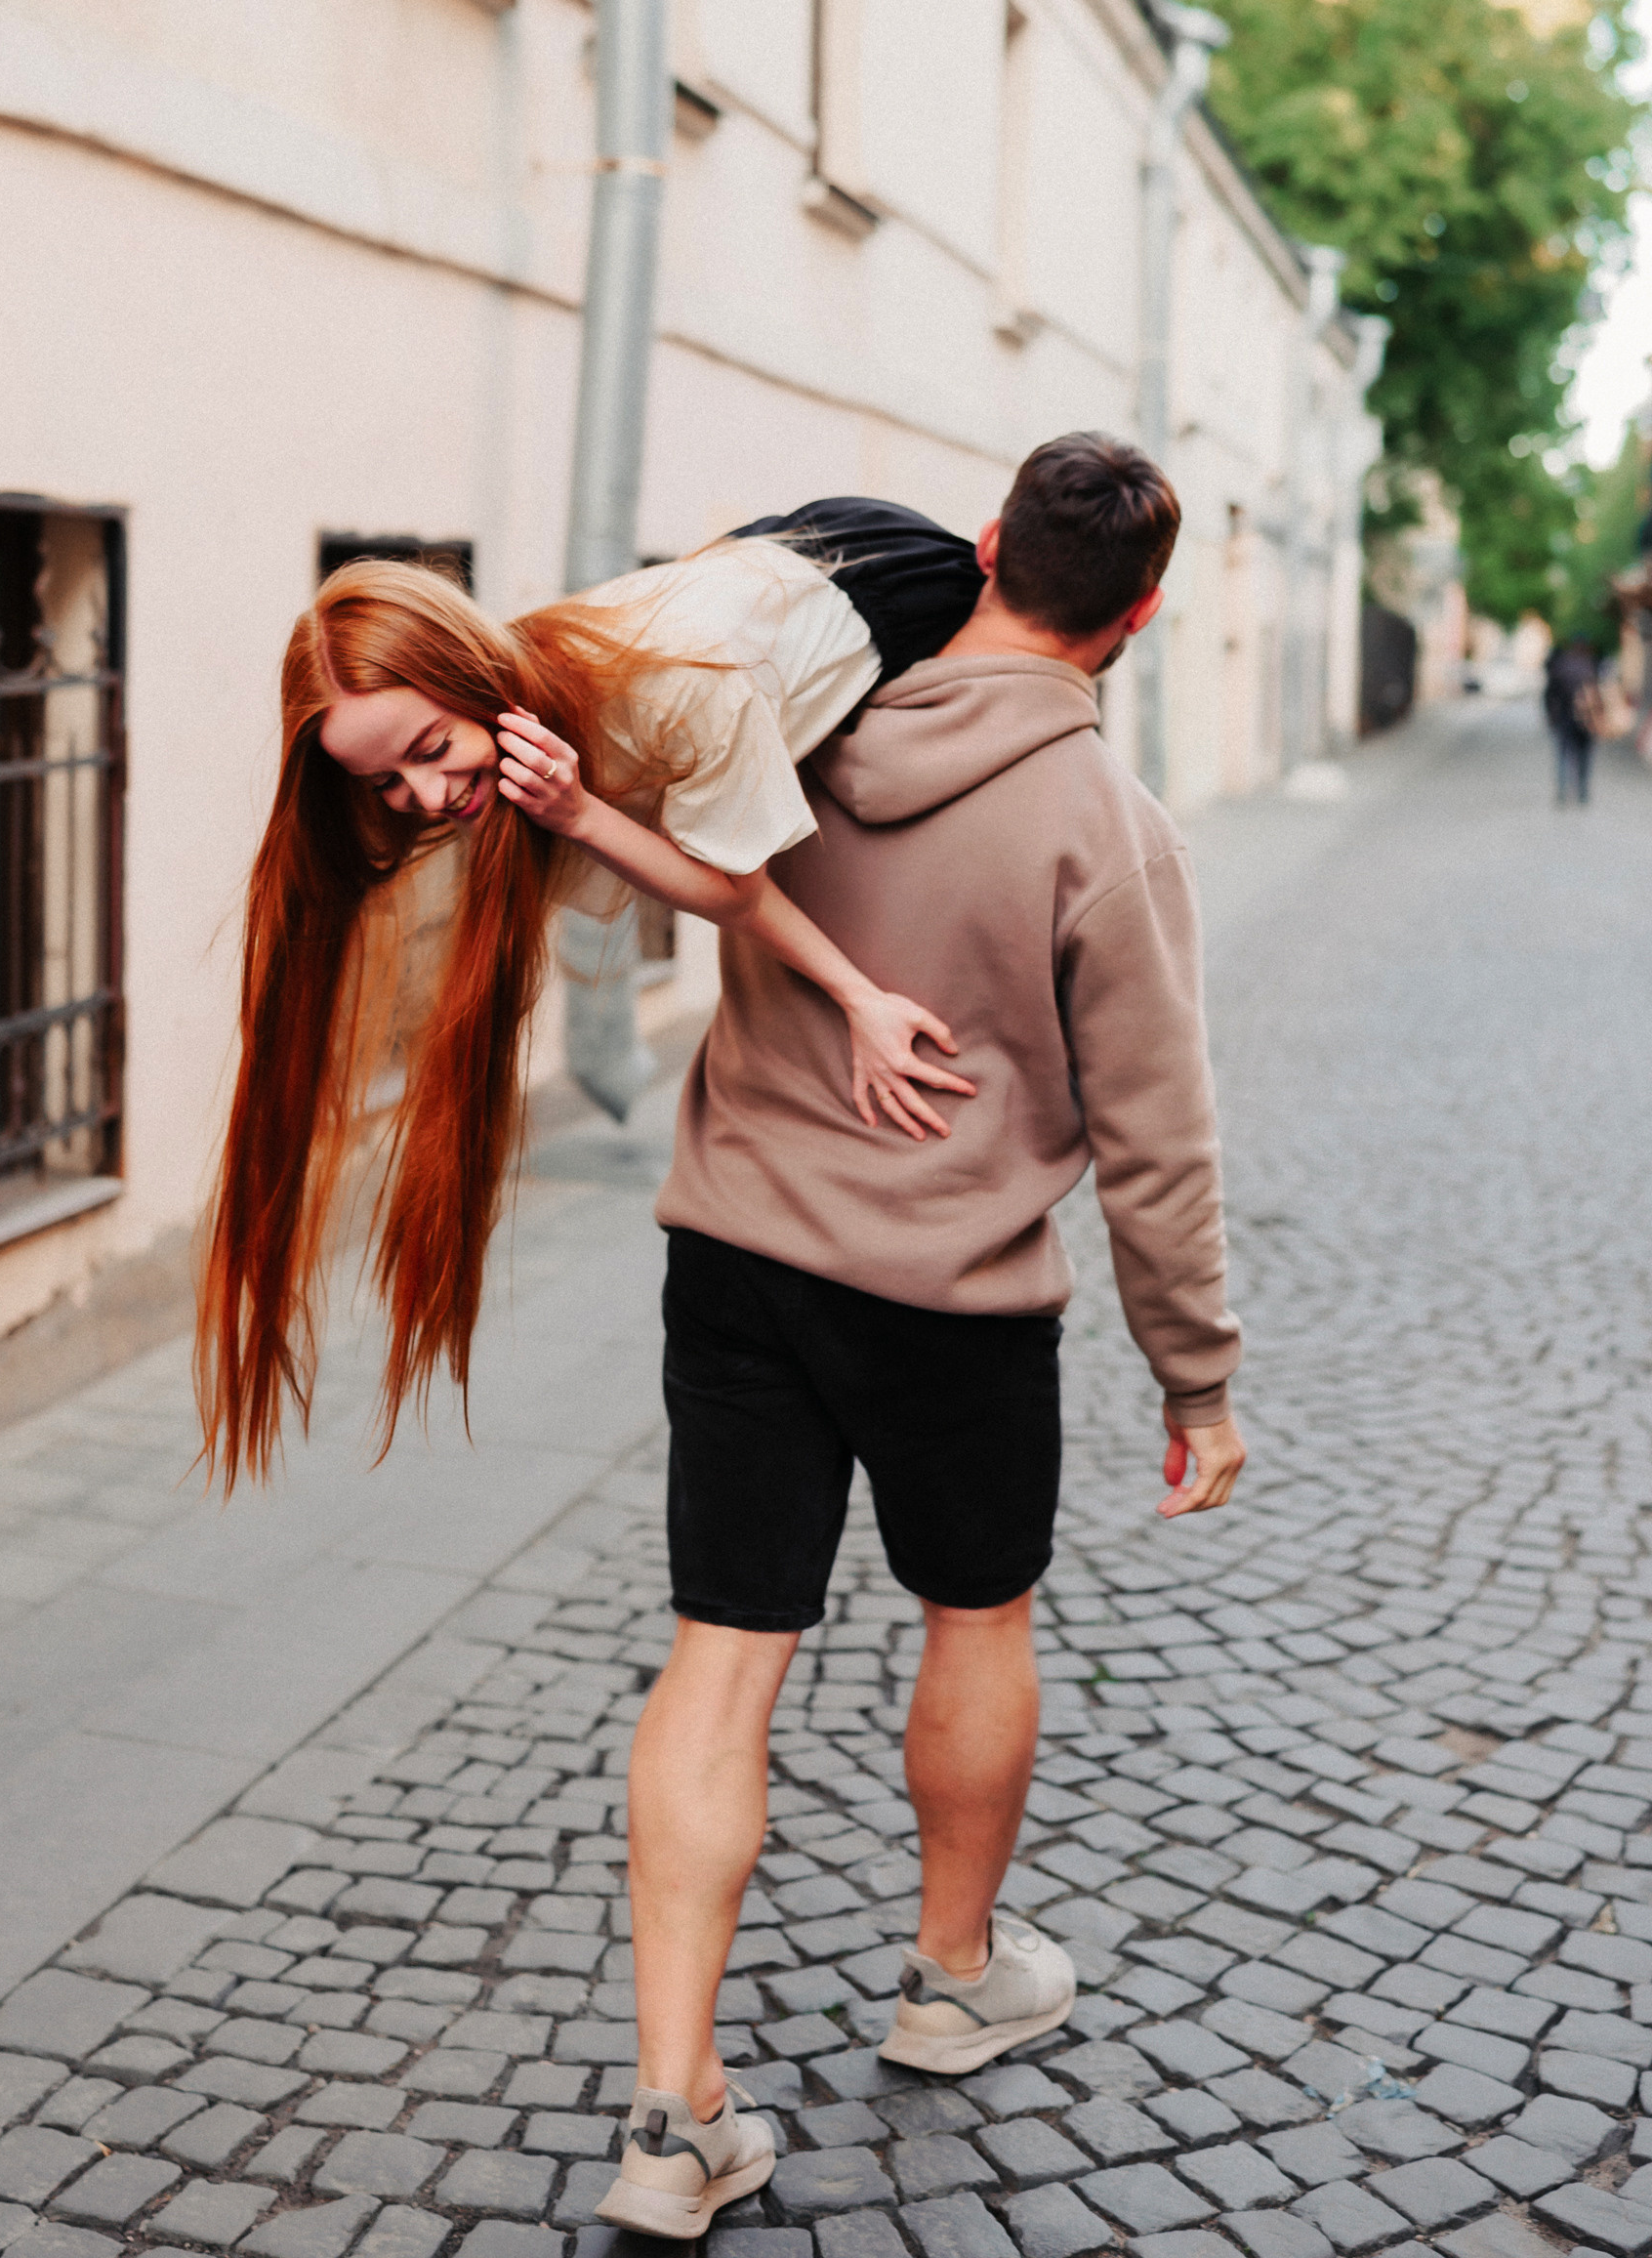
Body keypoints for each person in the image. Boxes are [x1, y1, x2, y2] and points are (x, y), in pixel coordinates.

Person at [594, 433, 1246, 2238]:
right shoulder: (1108, 835)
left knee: (722, 1655)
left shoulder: (800, 735)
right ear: (1141, 618)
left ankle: (671, 2114)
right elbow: (1154, 1137)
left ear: (980, 550)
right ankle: (950, 1976)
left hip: (735, 1256)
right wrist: (1195, 1375)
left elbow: (680, 859)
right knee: (979, 1617)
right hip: (954, 1303)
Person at [198, 501, 988, 1483]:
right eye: (386, 786)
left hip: (887, 581)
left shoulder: (671, 687)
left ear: (473, 682)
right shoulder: (528, 711)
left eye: (432, 750)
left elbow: (733, 890)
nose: (427, 799)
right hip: (770, 569)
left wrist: (854, 994)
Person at [1544, 636, 1599, 805]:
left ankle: (1562, 792)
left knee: (1563, 755)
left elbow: (1549, 693)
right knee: (1585, 757)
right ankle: (1582, 791)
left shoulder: (1561, 665)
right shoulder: (1591, 665)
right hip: (1587, 719)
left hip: (1565, 718)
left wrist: (1551, 716)